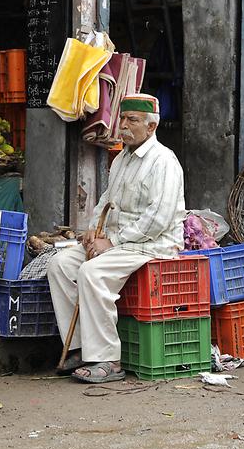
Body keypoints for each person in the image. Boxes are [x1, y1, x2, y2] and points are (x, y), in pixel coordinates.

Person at [47, 94, 185, 383]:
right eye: (122, 118)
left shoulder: (164, 162)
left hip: (151, 244)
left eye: (132, 120)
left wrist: (112, 242)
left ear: (151, 127)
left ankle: (108, 360)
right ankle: (80, 347)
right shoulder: (122, 158)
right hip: (119, 240)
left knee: (92, 272)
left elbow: (157, 219)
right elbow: (107, 200)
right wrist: (93, 230)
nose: (123, 125)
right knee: (59, 264)